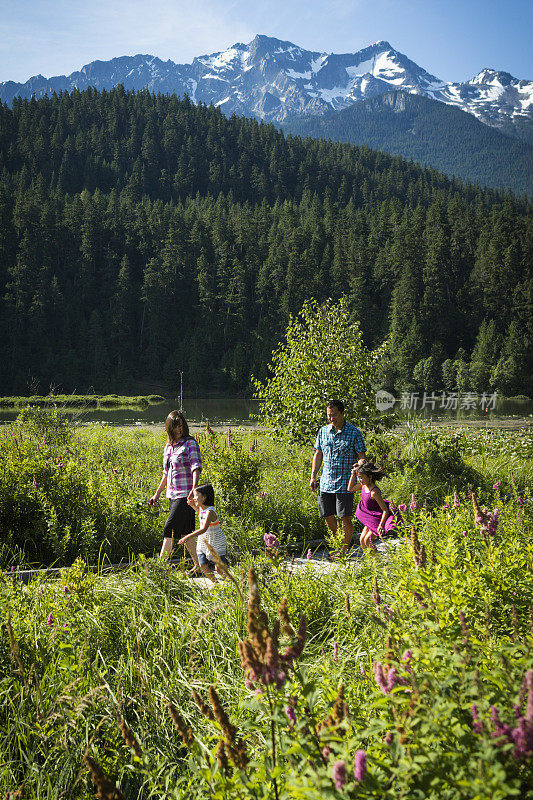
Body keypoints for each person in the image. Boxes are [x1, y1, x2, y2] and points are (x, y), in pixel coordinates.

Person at [310, 399, 366, 551]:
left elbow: (362, 457)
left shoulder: (354, 433)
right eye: (329, 415)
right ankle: (337, 543)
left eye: (334, 415)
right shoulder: (323, 431)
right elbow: (318, 454)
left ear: (342, 413)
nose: (332, 418)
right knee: (327, 515)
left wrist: (359, 465)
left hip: (345, 483)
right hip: (326, 482)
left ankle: (344, 551)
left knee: (345, 517)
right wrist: (313, 476)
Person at [149, 410, 202, 568]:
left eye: (181, 426)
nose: (179, 430)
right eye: (175, 427)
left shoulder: (189, 443)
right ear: (169, 429)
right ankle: (199, 566)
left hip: (185, 495)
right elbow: (166, 474)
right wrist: (156, 494)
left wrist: (194, 488)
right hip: (172, 494)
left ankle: (159, 569)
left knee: (169, 529)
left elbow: (196, 467)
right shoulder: (168, 447)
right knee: (187, 532)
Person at [347, 459, 401, 551]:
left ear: (370, 477)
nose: (359, 480)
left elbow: (385, 510)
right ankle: (371, 561)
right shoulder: (364, 486)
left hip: (378, 519)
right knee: (362, 540)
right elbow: (350, 488)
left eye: (361, 477)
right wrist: (353, 474)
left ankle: (376, 561)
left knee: (368, 541)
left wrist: (381, 525)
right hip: (371, 518)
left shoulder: (374, 492)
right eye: (358, 477)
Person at [179, 483, 227, 583]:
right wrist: (192, 505)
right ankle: (216, 585)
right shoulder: (203, 510)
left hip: (216, 542)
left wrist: (188, 536)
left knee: (218, 569)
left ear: (204, 497)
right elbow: (200, 514)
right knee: (202, 565)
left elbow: (204, 528)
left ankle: (230, 583)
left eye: (196, 496)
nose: (194, 498)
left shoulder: (210, 512)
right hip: (204, 541)